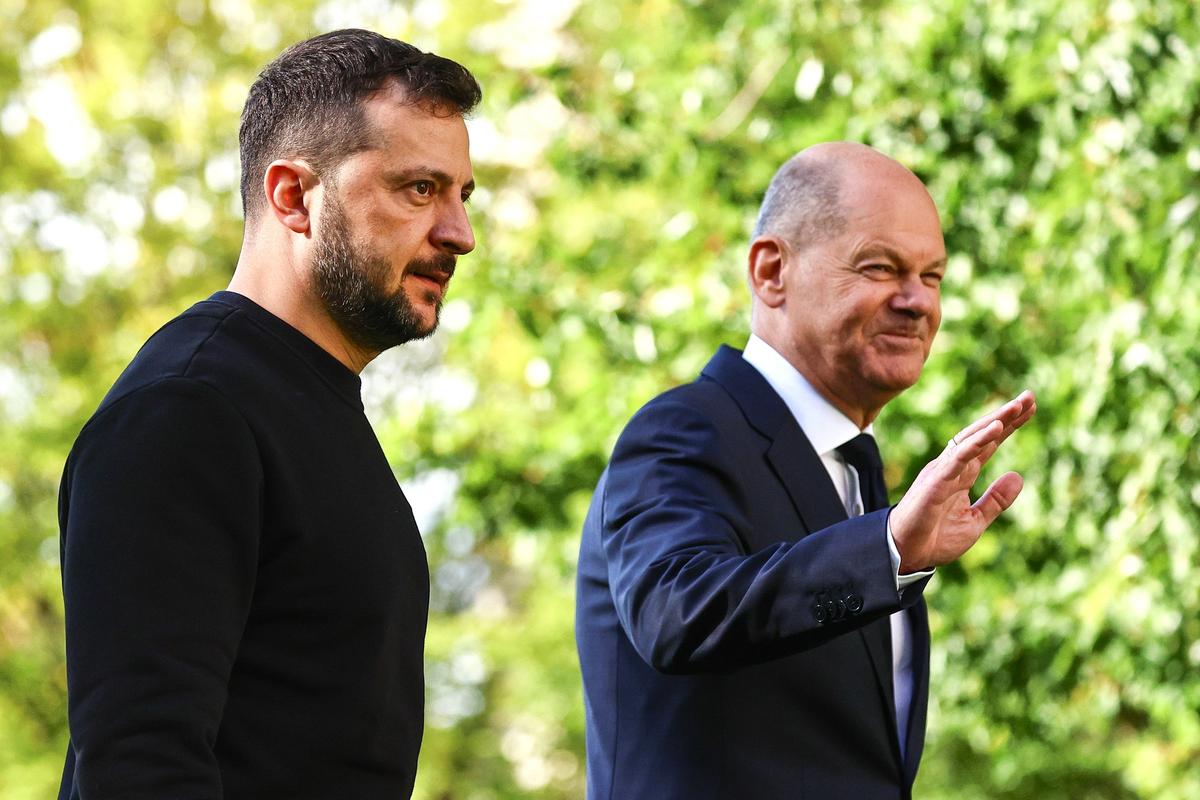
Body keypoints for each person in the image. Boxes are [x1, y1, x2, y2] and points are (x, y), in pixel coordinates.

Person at [56, 29, 479, 799]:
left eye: (461, 195)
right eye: (419, 189)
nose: (460, 234)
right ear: (294, 197)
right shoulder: (190, 411)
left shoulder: (307, 405)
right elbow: (141, 765)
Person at [575, 141, 1036, 799]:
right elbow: (674, 612)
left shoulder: (855, 470)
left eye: (932, 277)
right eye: (880, 268)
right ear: (770, 271)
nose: (917, 302)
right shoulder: (686, 428)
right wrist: (888, 548)